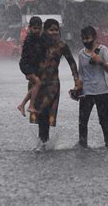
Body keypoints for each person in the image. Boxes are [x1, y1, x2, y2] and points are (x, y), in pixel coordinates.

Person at [30, 18, 82, 149]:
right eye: (50, 30)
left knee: (45, 112)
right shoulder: (38, 43)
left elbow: (72, 62)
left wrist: (76, 80)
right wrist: (28, 73)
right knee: (40, 114)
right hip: (37, 83)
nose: (54, 32)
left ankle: (43, 143)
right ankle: (43, 142)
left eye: (56, 30)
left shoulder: (61, 45)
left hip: (52, 84)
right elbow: (27, 58)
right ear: (45, 30)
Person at [76, 26, 108, 148]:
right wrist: (77, 88)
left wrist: (101, 62)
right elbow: (81, 74)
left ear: (94, 38)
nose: (85, 41)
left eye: (88, 38)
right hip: (86, 93)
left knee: (103, 120)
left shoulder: (103, 50)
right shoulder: (81, 54)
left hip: (103, 92)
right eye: (83, 39)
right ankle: (83, 145)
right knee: (82, 121)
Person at [18, 16, 44, 116]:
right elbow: (31, 56)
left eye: (39, 28)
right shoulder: (30, 39)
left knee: (35, 85)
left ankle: (22, 104)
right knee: (38, 83)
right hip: (26, 65)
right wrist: (30, 71)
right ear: (30, 28)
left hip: (30, 65)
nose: (37, 30)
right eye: (35, 28)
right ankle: (31, 106)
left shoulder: (37, 38)